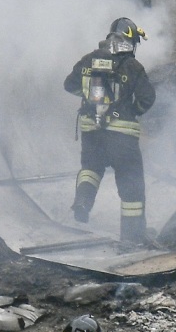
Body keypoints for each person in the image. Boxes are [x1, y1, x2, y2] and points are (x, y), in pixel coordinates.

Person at [64, 17, 157, 247]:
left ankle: (83, 202)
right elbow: (148, 98)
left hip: (92, 132)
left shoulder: (88, 60)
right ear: (128, 40)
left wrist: (88, 100)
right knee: (131, 184)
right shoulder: (132, 66)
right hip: (122, 136)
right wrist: (131, 110)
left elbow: (69, 85)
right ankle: (131, 237)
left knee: (91, 169)